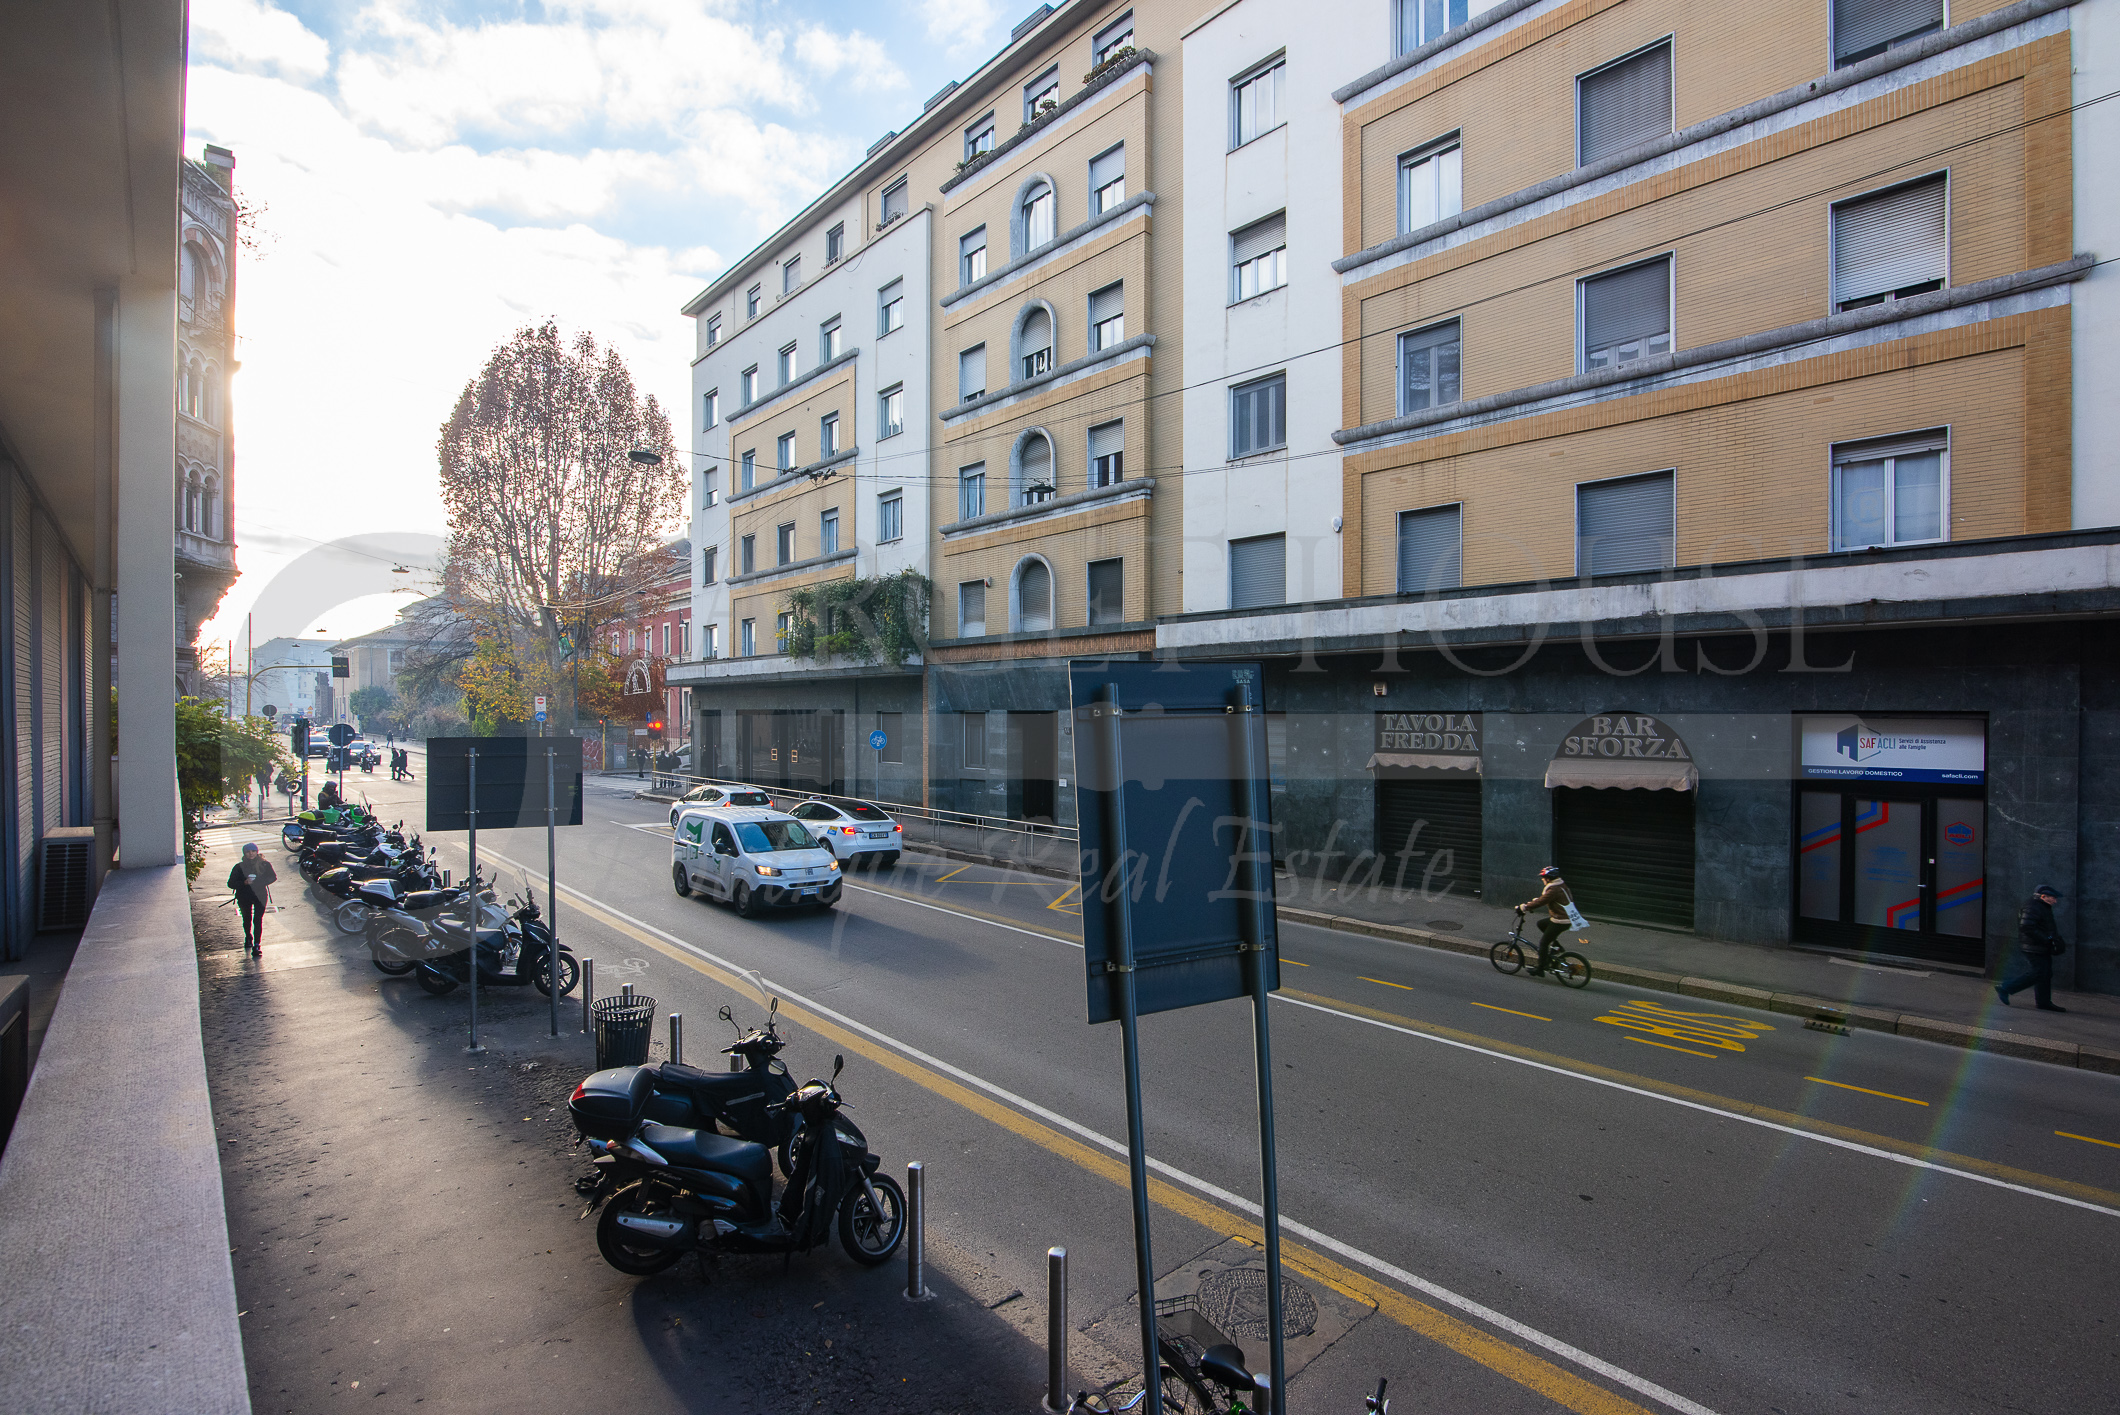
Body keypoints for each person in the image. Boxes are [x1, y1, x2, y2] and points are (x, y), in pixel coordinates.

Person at [1997, 884, 2068, 1011]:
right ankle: (2006, 988)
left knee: (2045, 973)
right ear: (2043, 896)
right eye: (2053, 898)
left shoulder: (2041, 906)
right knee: (2039, 972)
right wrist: (2047, 939)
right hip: (2033, 947)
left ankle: (2044, 1002)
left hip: (2039, 946)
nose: (2055, 901)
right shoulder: (2033, 907)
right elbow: (2026, 927)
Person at [1518, 866, 1577, 975]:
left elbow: (1543, 901)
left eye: (1543, 877)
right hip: (1563, 918)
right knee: (1541, 924)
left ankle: (1540, 969)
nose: (1542, 879)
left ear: (1549, 879)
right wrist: (1536, 901)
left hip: (1560, 920)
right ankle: (1556, 946)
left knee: (1543, 943)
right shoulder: (1560, 885)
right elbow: (1545, 899)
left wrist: (1525, 907)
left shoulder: (1553, 889)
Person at [227, 841, 277, 956]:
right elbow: (230, 883)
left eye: (253, 851)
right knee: (247, 918)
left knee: (258, 920)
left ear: (257, 852)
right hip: (244, 895)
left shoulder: (264, 864)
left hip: (260, 895)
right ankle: (248, 936)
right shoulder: (239, 867)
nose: (251, 854)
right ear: (244, 854)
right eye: (248, 852)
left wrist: (260, 882)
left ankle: (257, 944)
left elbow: (273, 877)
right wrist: (244, 883)